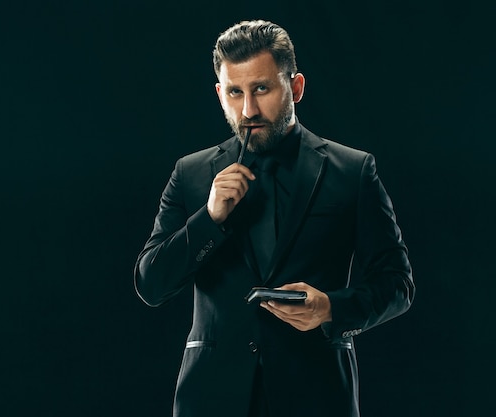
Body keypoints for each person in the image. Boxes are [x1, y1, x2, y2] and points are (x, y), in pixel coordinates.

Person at [134, 20, 415, 417]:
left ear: (295, 87)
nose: (248, 110)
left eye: (261, 89)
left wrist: (330, 308)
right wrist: (209, 218)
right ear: (220, 93)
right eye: (235, 92)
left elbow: (397, 284)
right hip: (211, 399)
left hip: (318, 397)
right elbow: (151, 283)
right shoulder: (191, 174)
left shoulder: (353, 171)